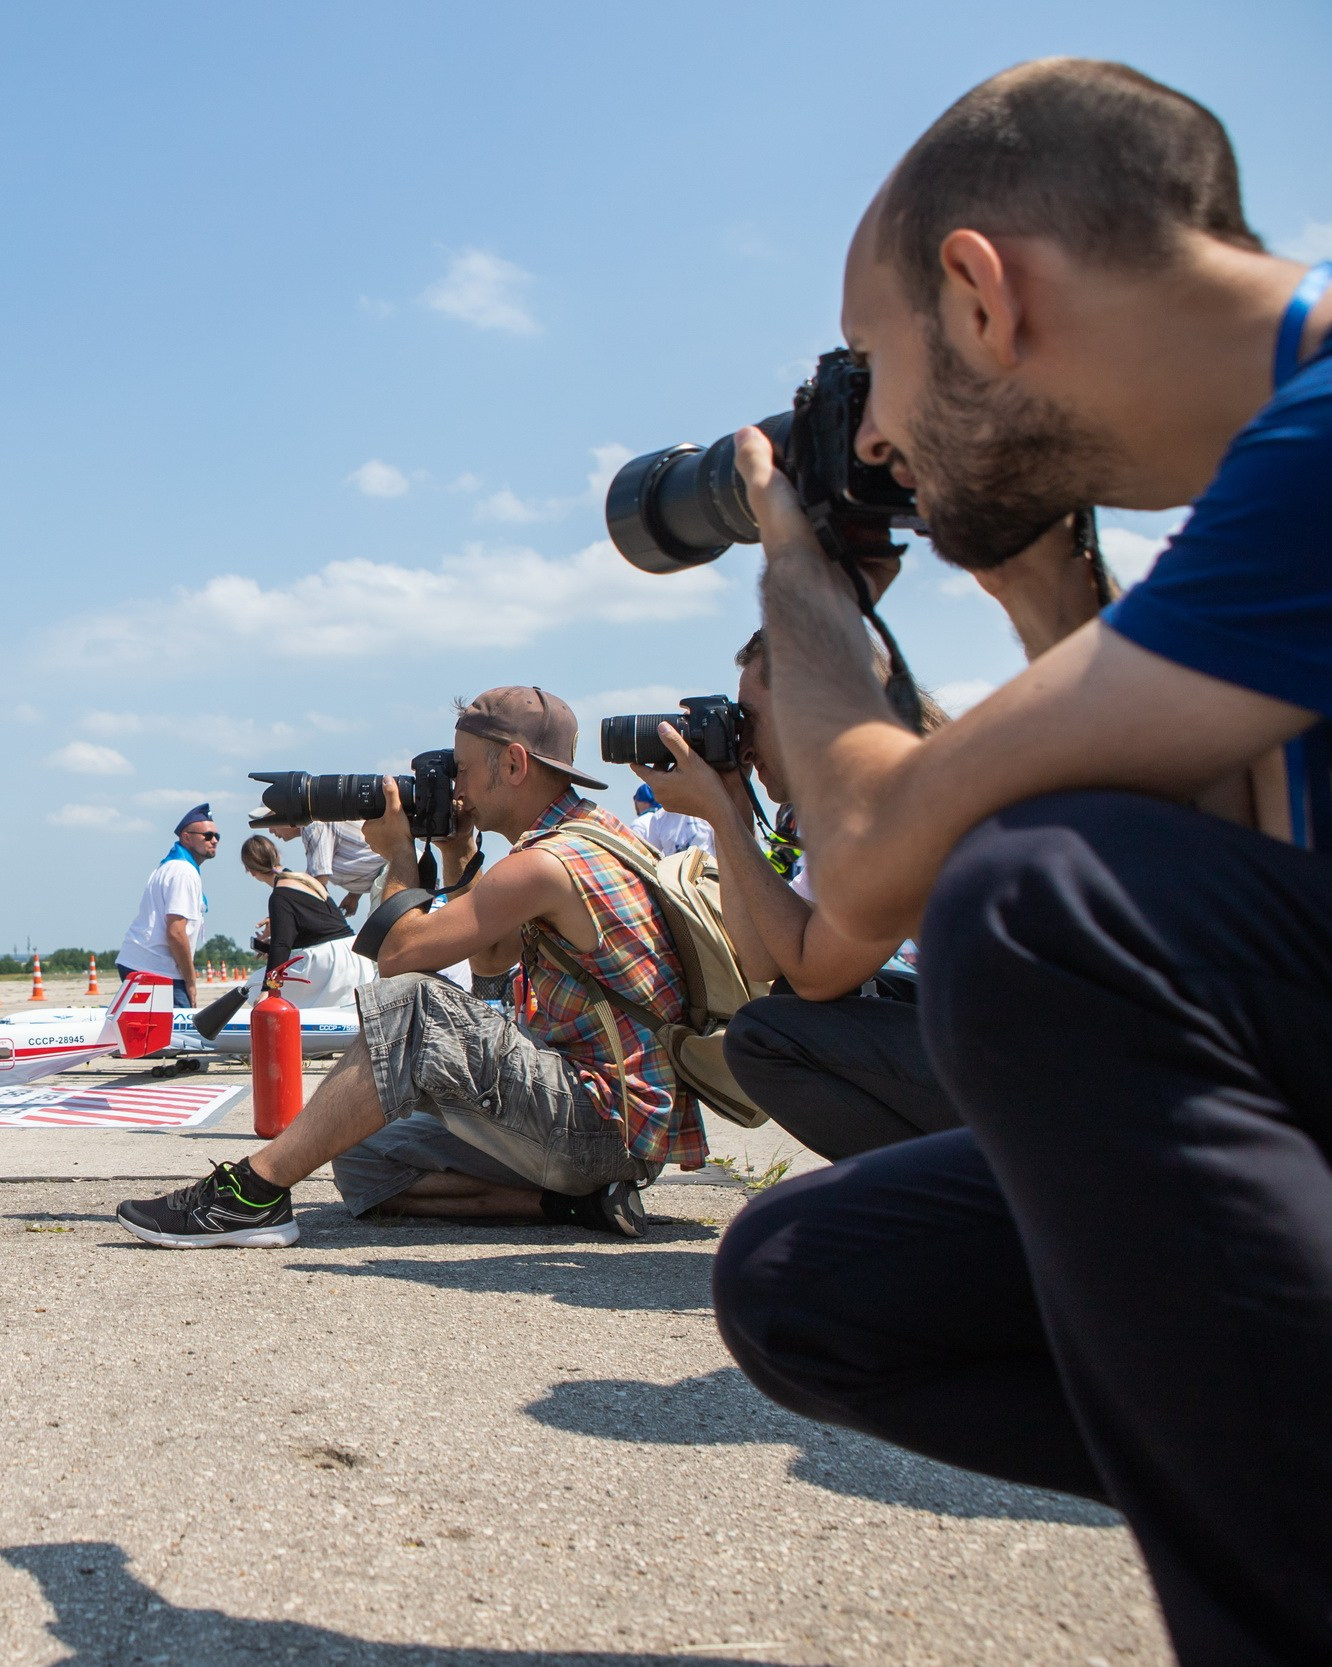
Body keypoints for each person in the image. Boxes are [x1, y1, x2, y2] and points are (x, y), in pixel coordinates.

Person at [705, 61, 1332, 1664]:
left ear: (980, 297)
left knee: (1043, 899)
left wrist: (801, 569)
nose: (883, 442)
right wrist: (1052, 602)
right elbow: (1250, 883)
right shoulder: (1272, 487)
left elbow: (872, 858)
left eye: (874, 374)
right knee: (812, 1278)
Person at [116, 687, 701, 1248]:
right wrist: (454, 851)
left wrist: (398, 855)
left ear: (515, 764)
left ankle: (250, 1194)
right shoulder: (586, 836)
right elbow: (495, 973)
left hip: (601, 1121)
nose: (456, 786)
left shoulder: (550, 862)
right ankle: (579, 1205)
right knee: (363, 1156)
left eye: (463, 769)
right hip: (608, 1127)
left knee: (414, 1004)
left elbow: (399, 961)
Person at [644, 631, 966, 1159]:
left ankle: (977, 1195)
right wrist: (733, 822)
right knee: (783, 1010)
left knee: (767, 1038)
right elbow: (767, 958)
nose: (742, 743)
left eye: (749, 719)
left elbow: (817, 973)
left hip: (1071, 1070)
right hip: (1034, 1039)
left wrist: (722, 815)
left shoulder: (889, 794)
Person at [114, 805, 218, 1037]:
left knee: (157, 1036)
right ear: (186, 837)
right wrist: (190, 980)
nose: (214, 840)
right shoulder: (183, 872)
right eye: (208, 835)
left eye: (217, 836)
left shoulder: (172, 866)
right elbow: (176, 932)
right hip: (155, 967)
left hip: (146, 962)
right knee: (180, 1036)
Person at [236, 835, 370, 1008]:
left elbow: (281, 944)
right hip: (354, 954)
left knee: (253, 984)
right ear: (277, 856)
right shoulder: (304, 881)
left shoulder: (280, 895)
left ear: (250, 870)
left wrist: (268, 988)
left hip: (332, 963)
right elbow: (316, 928)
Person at [265, 819, 388, 917]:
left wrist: (284, 914)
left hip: (388, 876)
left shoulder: (314, 825)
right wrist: (353, 896)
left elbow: (317, 882)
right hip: (385, 876)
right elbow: (359, 854)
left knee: (381, 941)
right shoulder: (314, 825)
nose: (270, 830)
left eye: (270, 821)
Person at [626, 781, 713, 857]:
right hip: (673, 874)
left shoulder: (706, 811)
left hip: (707, 873)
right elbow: (653, 855)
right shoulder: (658, 818)